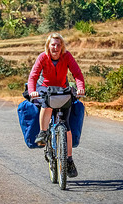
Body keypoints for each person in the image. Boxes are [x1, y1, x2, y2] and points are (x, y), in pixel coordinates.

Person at [28, 33, 85, 178]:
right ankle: (43, 132)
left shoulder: (67, 57)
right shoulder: (43, 57)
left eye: (58, 45)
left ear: (62, 47)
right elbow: (33, 76)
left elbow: (77, 73)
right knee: (46, 103)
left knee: (65, 126)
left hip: (62, 89)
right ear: (48, 46)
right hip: (45, 88)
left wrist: (80, 87)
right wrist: (32, 91)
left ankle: (69, 160)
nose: (56, 47)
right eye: (53, 44)